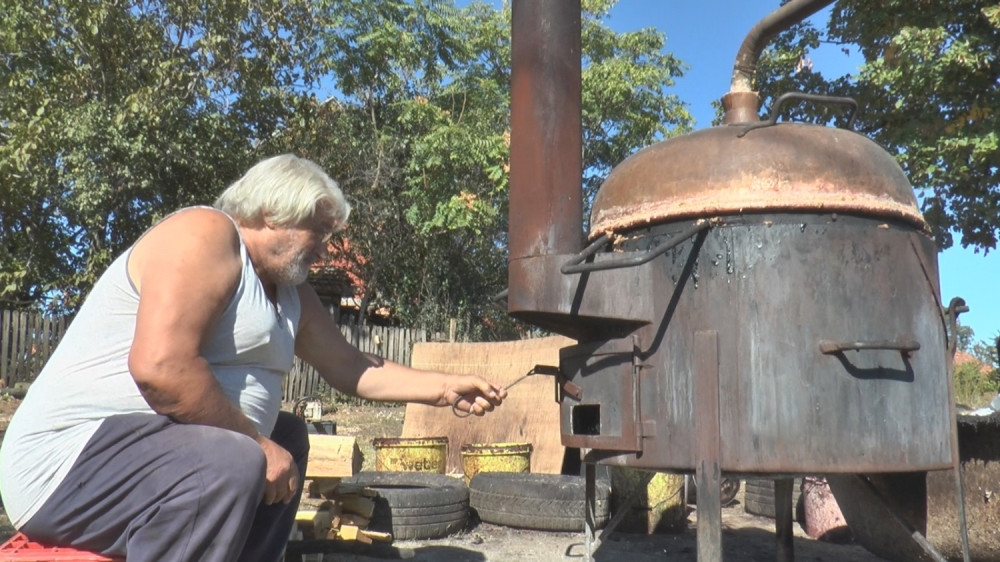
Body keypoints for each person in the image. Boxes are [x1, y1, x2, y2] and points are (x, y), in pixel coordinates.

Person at [0, 154, 507, 561]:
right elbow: (161, 368)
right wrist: (255, 445)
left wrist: (443, 387)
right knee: (241, 456)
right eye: (319, 233)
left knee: (287, 435)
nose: (327, 252)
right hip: (63, 467)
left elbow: (350, 367)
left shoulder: (291, 292)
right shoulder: (204, 235)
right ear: (272, 213)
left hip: (153, 461)